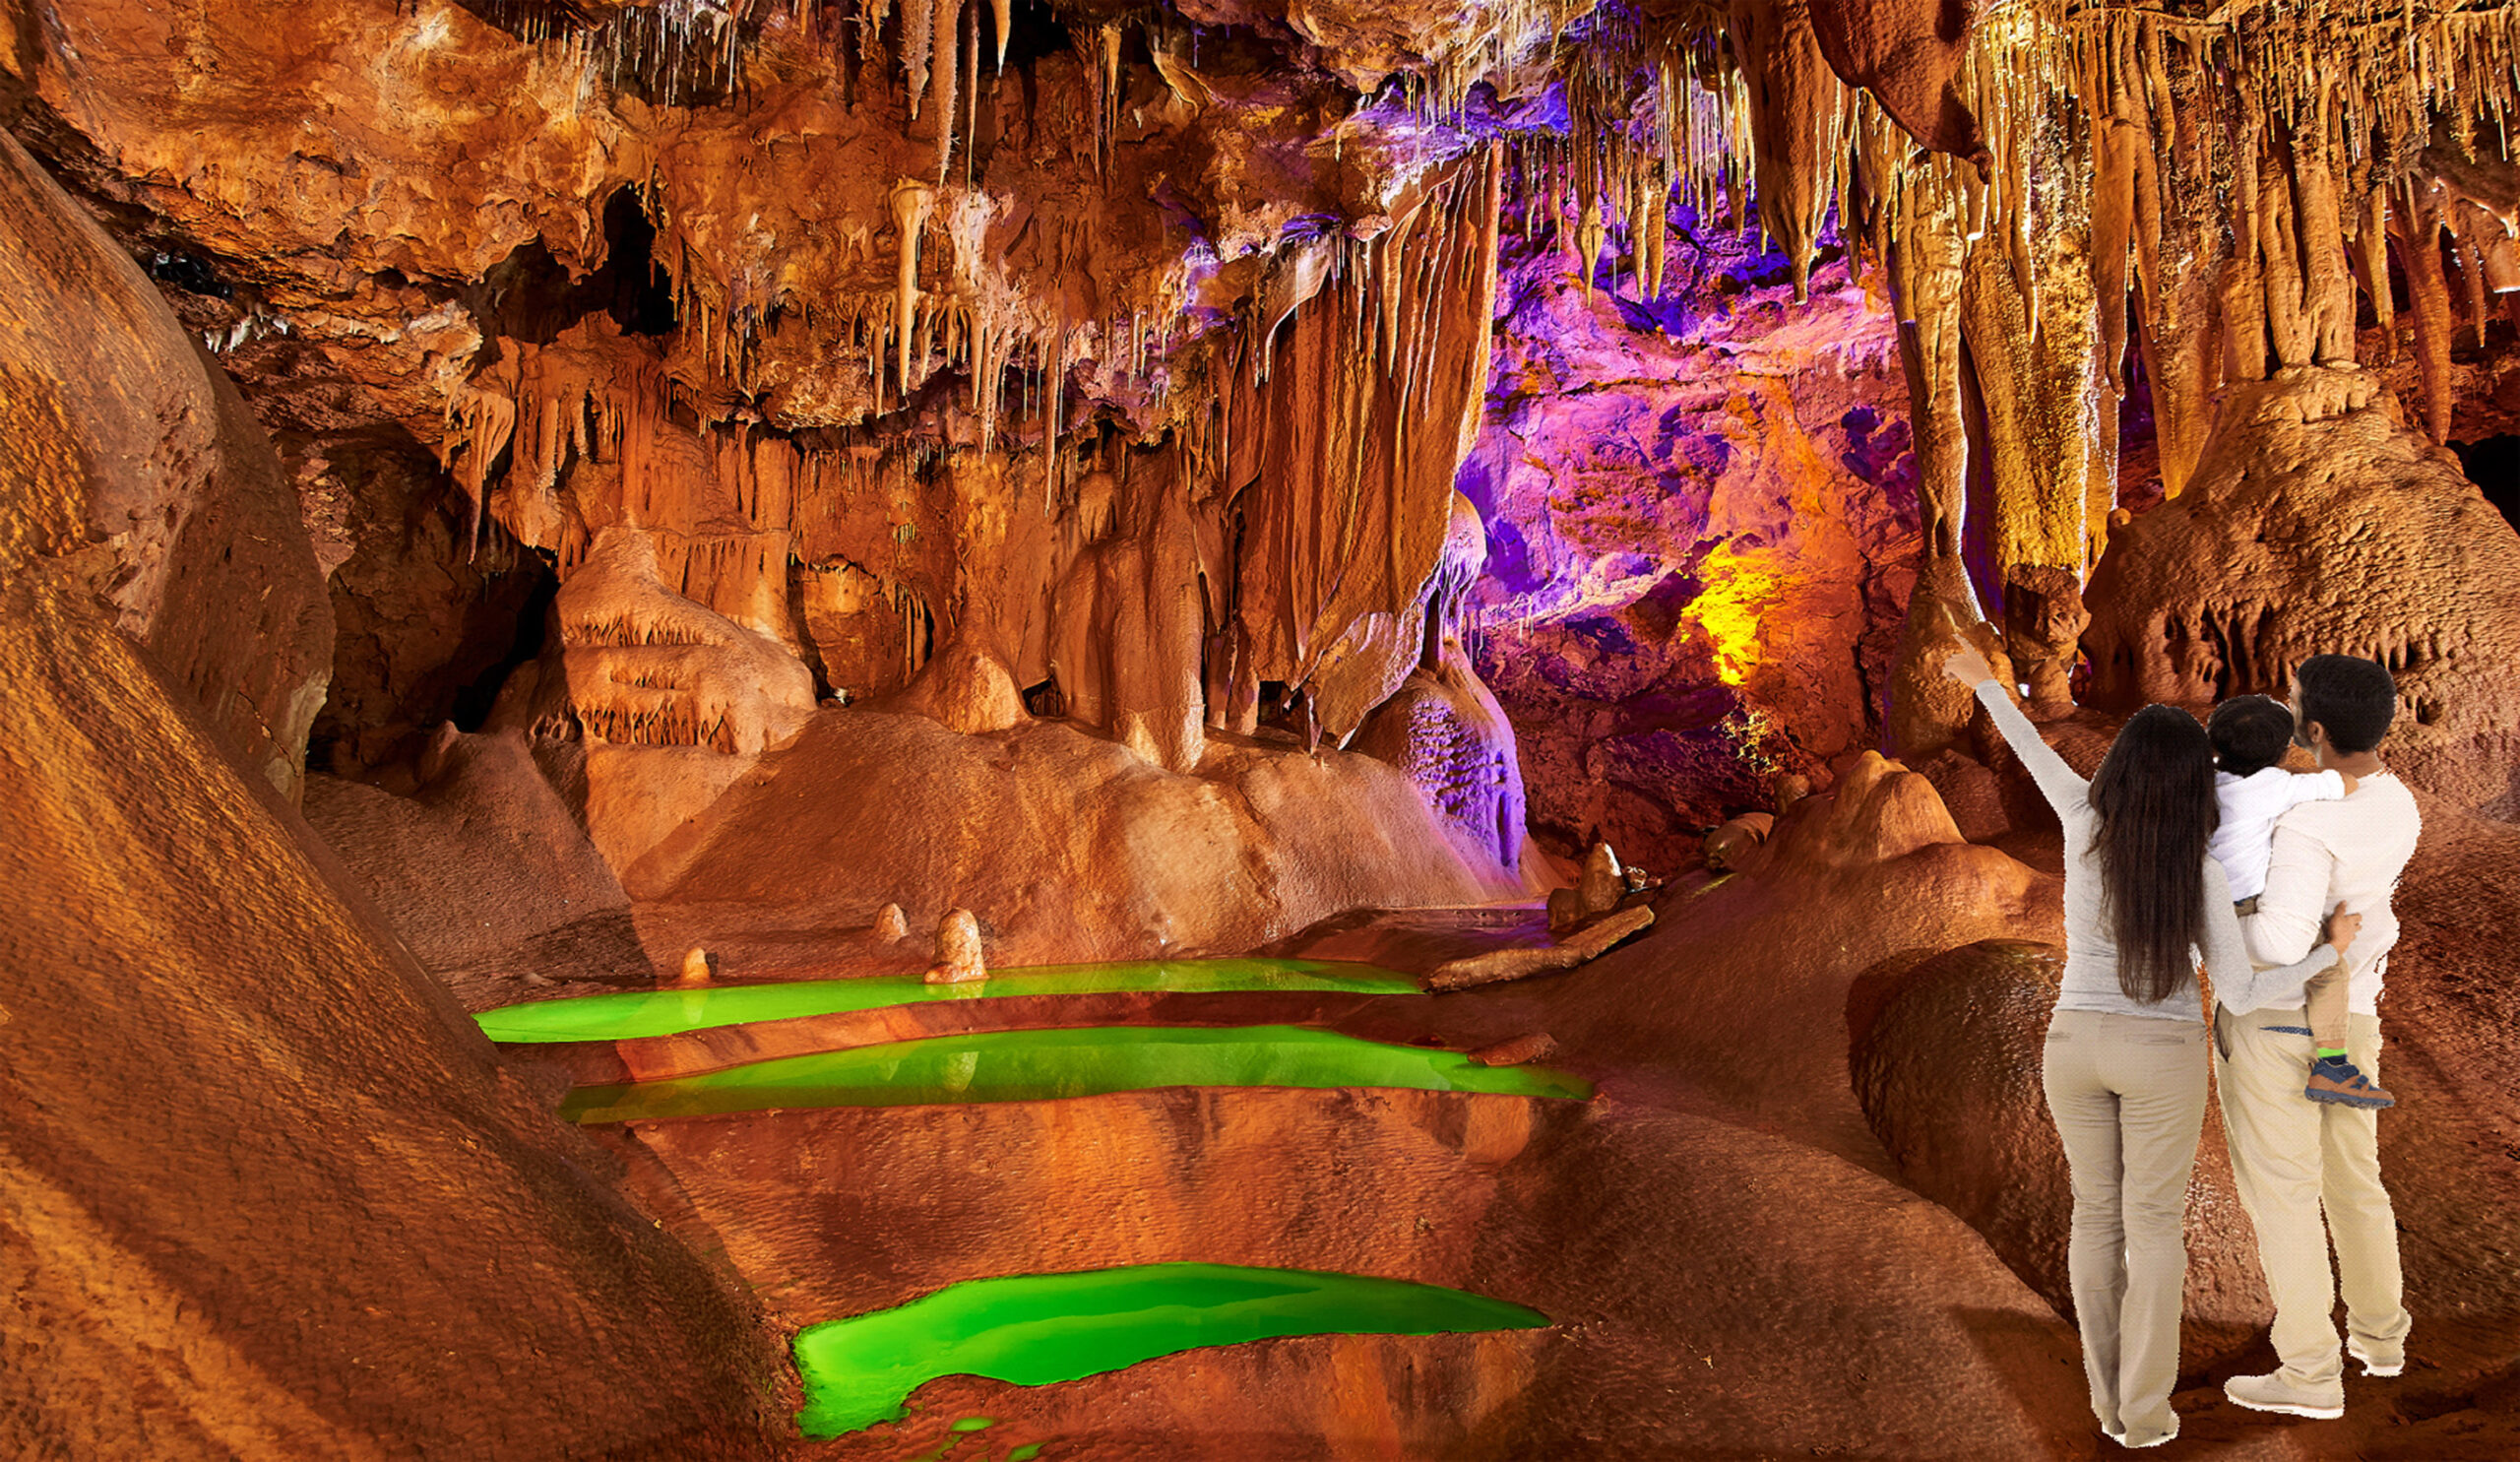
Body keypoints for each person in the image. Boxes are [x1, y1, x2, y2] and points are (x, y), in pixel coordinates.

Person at [1941, 642, 2356, 1449]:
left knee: (2095, 1217)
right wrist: (2327, 951)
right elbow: (2239, 991)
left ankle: (2106, 1402)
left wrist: (1985, 682)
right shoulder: (2198, 868)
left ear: (2121, 768)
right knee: (2154, 1228)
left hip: (2075, 1042)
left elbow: (2031, 747)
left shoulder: (2083, 818)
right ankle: (2144, 1413)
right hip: (2161, 1048)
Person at [2210, 655, 2424, 1420]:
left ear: (2317, 728)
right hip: (2353, 1015)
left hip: (2278, 1023)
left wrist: (2217, 918)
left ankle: (2308, 1371)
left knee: (2287, 1198)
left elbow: (2277, 939)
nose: (2289, 706)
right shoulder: (2400, 802)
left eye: (2296, 700)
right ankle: (2380, 1336)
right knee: (2356, 1180)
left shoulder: (2303, 823)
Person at [2203, 696, 2389, 1108]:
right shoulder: (2270, 786)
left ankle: (2229, 1034)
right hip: (2245, 908)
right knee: (2329, 967)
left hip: (2203, 911)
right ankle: (2332, 1066)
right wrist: (2297, 767)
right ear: (2285, 748)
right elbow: (2347, 784)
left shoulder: (2205, 781)